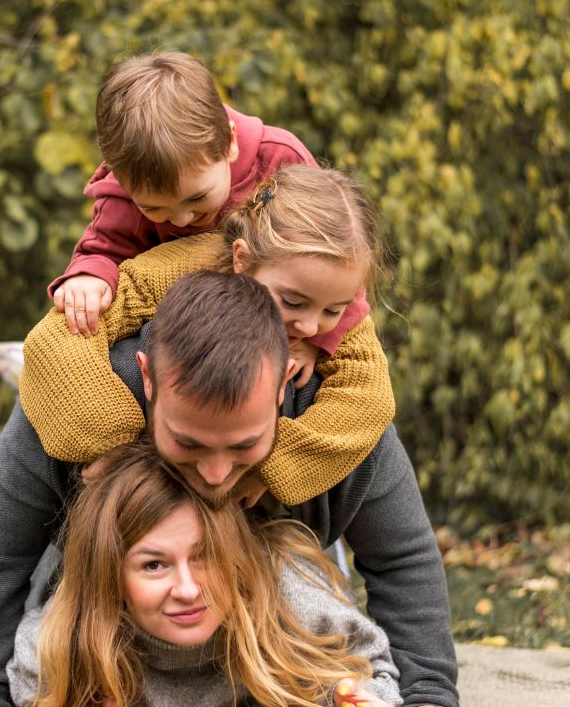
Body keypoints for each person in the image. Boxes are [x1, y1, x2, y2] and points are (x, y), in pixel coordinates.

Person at [0, 271, 478, 707]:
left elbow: (401, 555)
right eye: (190, 444)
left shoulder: (337, 419)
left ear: (280, 389)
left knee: (305, 604)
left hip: (285, 542)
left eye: (244, 447)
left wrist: (428, 691)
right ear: (148, 383)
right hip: (105, 555)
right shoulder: (75, 405)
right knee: (64, 592)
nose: (217, 474)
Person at [25, 163, 394, 507]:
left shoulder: (345, 326)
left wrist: (274, 466)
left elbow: (371, 398)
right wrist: (112, 442)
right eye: (293, 302)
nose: (311, 328)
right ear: (241, 261)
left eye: (333, 310)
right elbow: (57, 337)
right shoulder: (190, 265)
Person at [3, 442, 401, 707]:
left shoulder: (293, 598)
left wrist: (346, 703)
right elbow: (30, 701)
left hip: (281, 553)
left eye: (205, 555)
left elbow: (374, 670)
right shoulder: (62, 638)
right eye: (153, 565)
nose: (188, 590)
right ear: (113, 577)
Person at [49, 51, 359, 343]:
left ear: (229, 143)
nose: (182, 218)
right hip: (185, 330)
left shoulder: (279, 160)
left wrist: (319, 343)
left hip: (283, 321)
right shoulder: (122, 197)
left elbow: (343, 249)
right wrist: (88, 277)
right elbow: (102, 248)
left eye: (197, 197)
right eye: (153, 207)